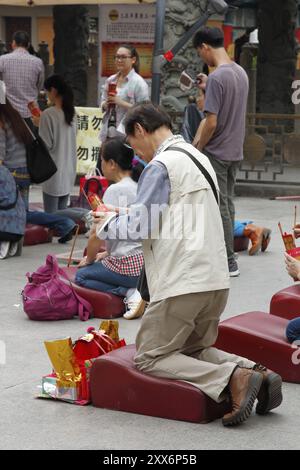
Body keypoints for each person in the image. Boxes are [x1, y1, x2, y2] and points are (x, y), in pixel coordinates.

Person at [93, 103, 282, 427]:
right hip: (215, 278)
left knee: (150, 356)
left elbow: (143, 226)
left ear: (140, 129)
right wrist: (121, 214)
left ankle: (232, 378)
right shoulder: (200, 160)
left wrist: (105, 225)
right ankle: (257, 373)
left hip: (183, 281)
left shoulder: (160, 166)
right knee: (192, 349)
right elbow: (174, 213)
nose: (135, 152)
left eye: (133, 142)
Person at [193, 27, 249, 277]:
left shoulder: (217, 77)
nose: (201, 58)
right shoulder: (240, 72)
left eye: (199, 52)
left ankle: (228, 261)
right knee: (227, 203)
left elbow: (212, 122)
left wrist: (198, 147)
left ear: (205, 47)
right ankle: (229, 256)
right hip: (235, 149)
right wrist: (208, 85)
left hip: (217, 151)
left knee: (219, 207)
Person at [75, 137, 145, 320]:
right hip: (147, 264)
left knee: (81, 276)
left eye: (102, 161)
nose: (102, 166)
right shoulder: (141, 185)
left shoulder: (115, 191)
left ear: (112, 163)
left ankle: (129, 291)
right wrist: (105, 254)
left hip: (129, 266)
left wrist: (90, 259)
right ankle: (137, 289)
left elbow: (96, 236)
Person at [33, 75, 77, 213]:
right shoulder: (72, 113)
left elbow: (46, 145)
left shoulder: (48, 114)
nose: (46, 95)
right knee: (63, 216)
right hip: (69, 171)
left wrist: (38, 125)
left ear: (53, 90)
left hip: (52, 173)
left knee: (51, 218)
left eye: (46, 91)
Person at [99, 45, 149, 142]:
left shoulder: (139, 83)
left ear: (133, 60)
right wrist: (106, 104)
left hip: (127, 135)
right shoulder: (111, 80)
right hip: (107, 132)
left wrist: (120, 102)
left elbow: (144, 110)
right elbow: (102, 103)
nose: (119, 60)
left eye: (123, 57)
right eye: (117, 57)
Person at [0, 31, 44, 122]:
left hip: (9, 112)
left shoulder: (2, 60)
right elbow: (39, 86)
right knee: (30, 136)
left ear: (13, 43)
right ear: (28, 45)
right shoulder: (37, 62)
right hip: (31, 113)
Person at [0, 99, 32, 209]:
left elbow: (0, 154)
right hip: (25, 171)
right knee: (24, 214)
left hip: (11, 172)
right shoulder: (15, 116)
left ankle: (61, 221)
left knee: (11, 213)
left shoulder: (1, 121)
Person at [0, 162, 26, 259]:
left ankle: (4, 242)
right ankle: (13, 243)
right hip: (19, 228)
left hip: (4, 229)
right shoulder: (5, 170)